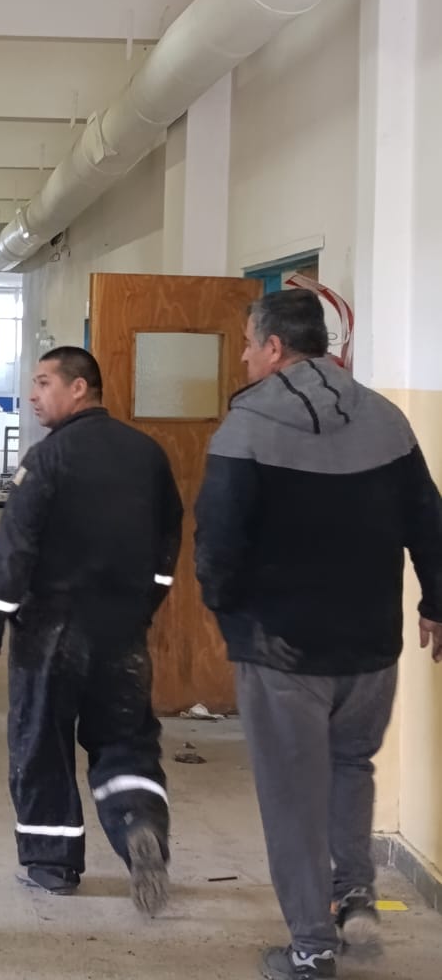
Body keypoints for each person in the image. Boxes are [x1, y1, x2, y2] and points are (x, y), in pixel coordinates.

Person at [195, 289, 442, 980]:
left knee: (291, 796)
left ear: (274, 347)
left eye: (249, 344)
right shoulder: (385, 416)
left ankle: (310, 946)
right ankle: (353, 893)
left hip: (282, 649)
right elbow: (427, 518)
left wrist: (229, 617)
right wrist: (435, 601)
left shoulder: (246, 426)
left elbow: (217, 542)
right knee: (349, 766)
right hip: (371, 644)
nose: (245, 358)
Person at [0, 346, 183, 912]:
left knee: (42, 743)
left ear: (79, 387)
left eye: (44, 382)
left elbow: (14, 550)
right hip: (121, 630)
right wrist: (146, 601)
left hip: (50, 632)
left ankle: (52, 863)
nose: (33, 395)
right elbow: (169, 539)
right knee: (126, 741)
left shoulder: (47, 460)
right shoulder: (146, 454)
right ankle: (140, 826)